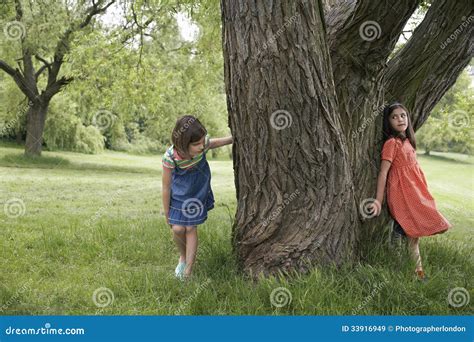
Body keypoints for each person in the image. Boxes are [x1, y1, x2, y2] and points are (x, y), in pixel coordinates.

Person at [368, 103, 451, 281]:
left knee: (414, 237)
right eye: (394, 117)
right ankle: (400, 270)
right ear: (388, 122)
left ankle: (417, 273)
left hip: (415, 194)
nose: (400, 119)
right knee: (405, 235)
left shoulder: (408, 142)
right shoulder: (392, 143)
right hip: (402, 196)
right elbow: (383, 172)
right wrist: (378, 200)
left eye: (403, 115)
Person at [162, 115, 233, 279]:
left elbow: (213, 142)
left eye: (203, 142)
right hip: (178, 197)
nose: (202, 146)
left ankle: (188, 270)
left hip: (197, 193)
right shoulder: (170, 157)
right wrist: (166, 213)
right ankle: (183, 257)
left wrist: (232, 139)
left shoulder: (202, 145)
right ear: (182, 143)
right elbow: (166, 187)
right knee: (178, 229)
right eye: (196, 144)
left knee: (190, 228)